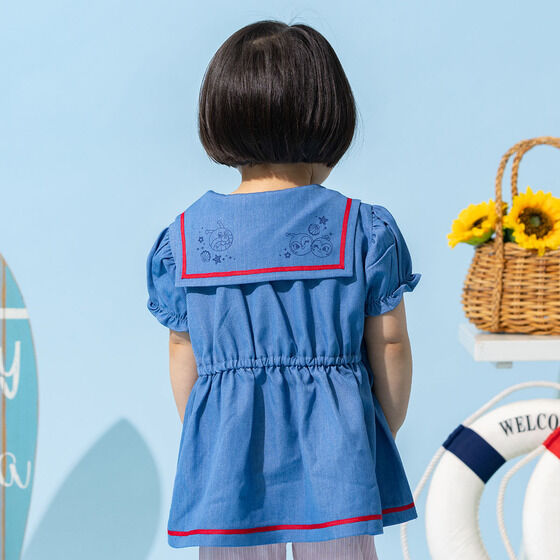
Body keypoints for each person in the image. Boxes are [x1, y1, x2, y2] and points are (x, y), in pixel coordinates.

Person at [146, 19, 421, 560]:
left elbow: (183, 353)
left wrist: (214, 432)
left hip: (228, 465)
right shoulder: (363, 230)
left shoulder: (184, 240)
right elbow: (390, 344)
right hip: (339, 458)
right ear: (328, 116)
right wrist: (373, 430)